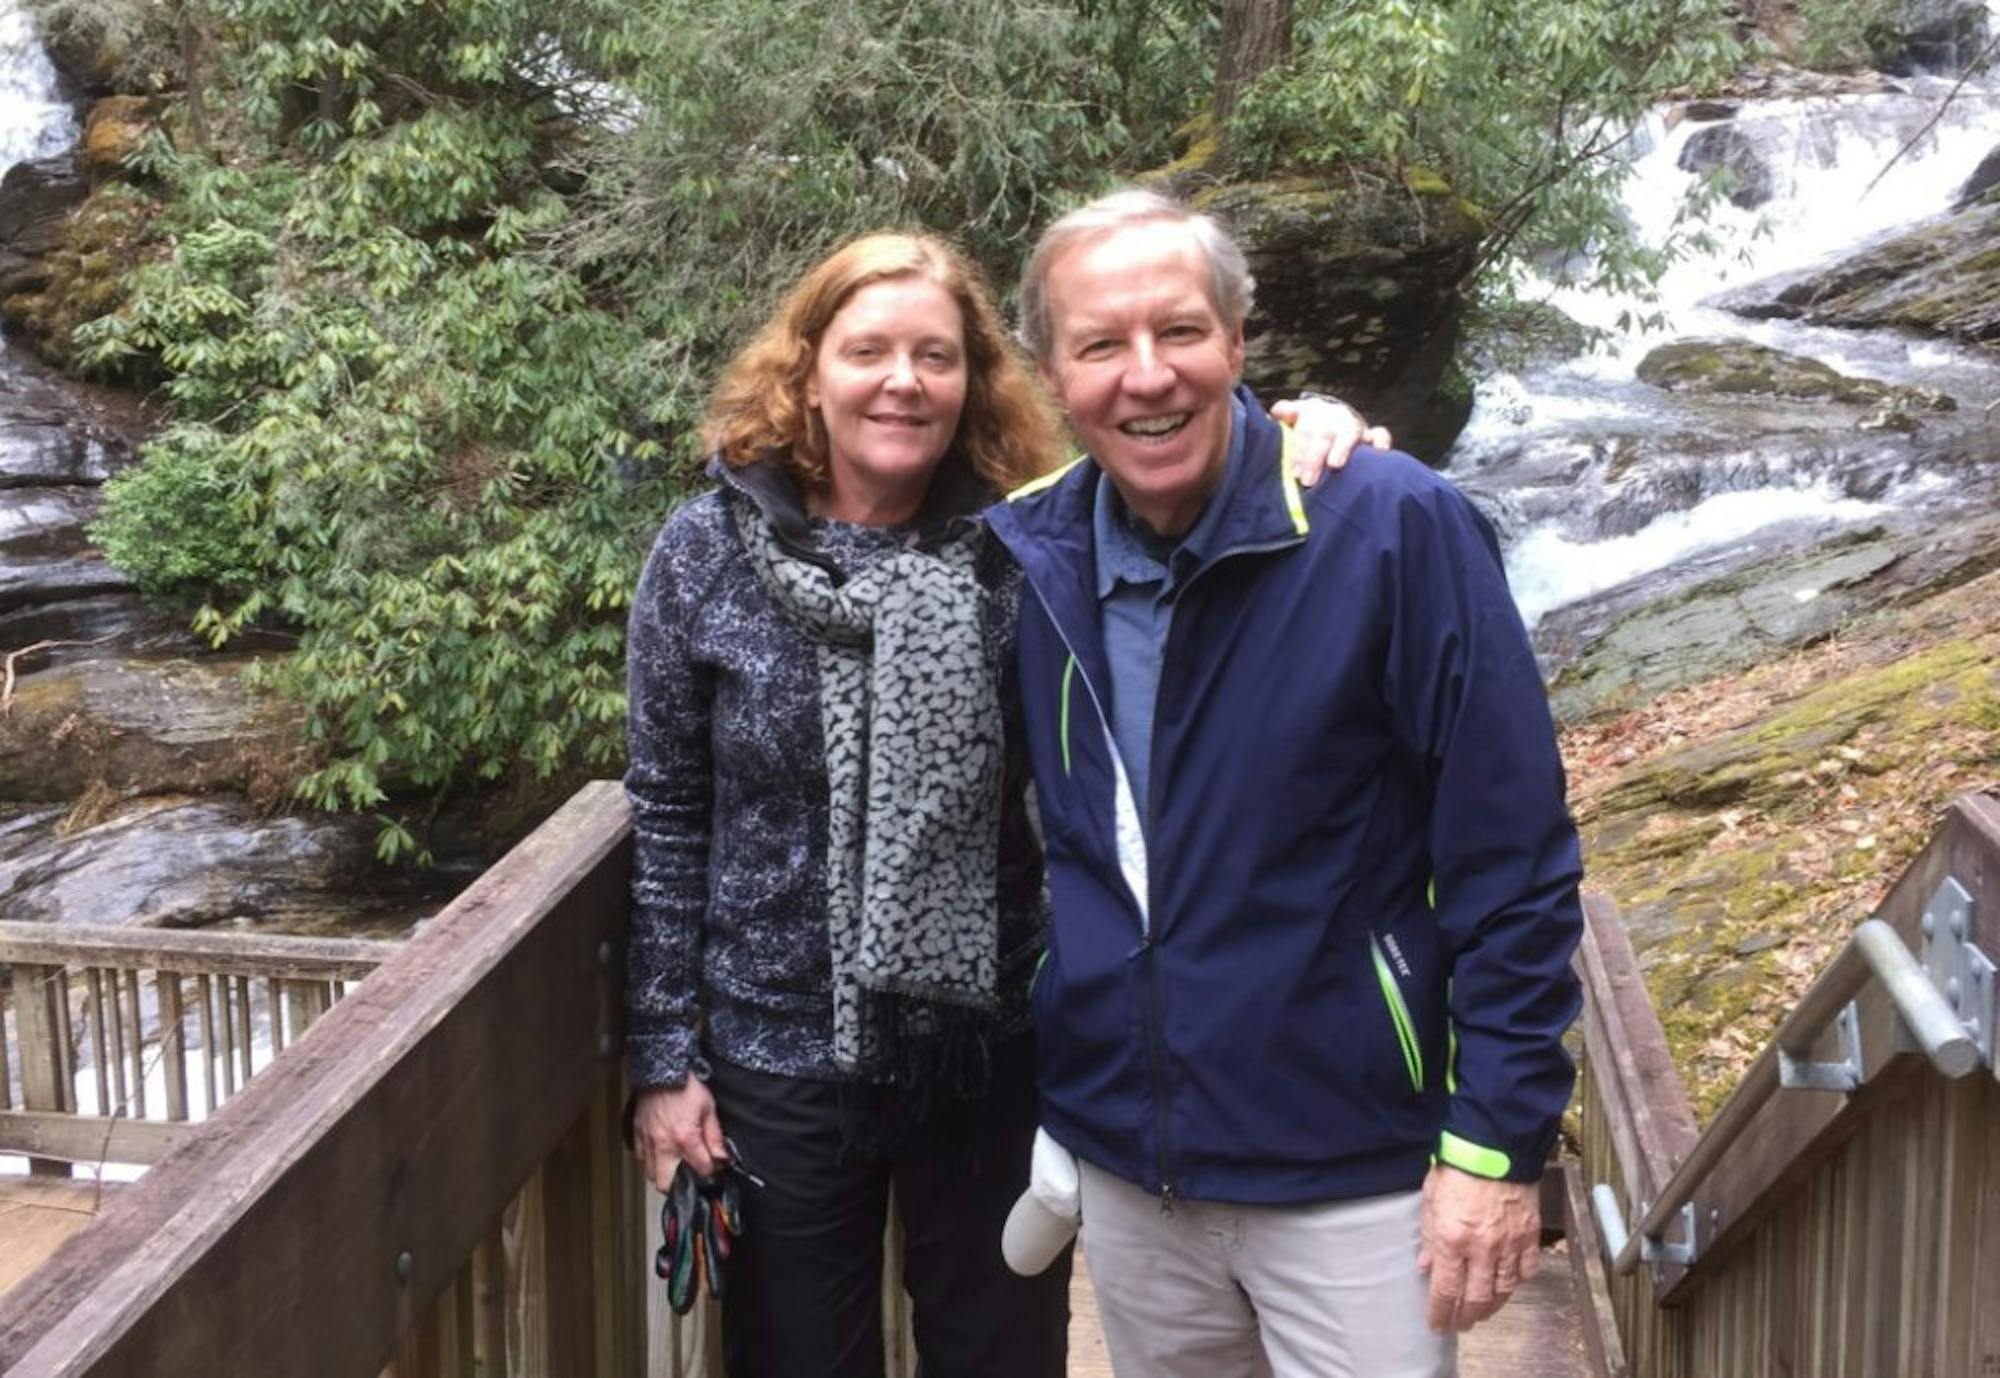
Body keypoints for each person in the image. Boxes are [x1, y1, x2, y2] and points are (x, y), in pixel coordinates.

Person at [621, 229, 1377, 1378]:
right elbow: (669, 808)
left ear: (972, 378)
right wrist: (661, 1055)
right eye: (868, 350)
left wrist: (1310, 429)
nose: (902, 380)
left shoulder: (1038, 539)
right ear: (808, 369)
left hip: (985, 1045)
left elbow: (1193, 464)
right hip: (773, 1051)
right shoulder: (703, 551)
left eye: (935, 354)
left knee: (1000, 1356)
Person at [984, 189, 1585, 1378]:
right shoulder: (1028, 554)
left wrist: (1493, 1145)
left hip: (1348, 1167)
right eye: (1101, 345)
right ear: (1052, 374)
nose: (1145, 376)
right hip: (1128, 1167)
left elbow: (1510, 855)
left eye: (1180, 332)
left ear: (1238, 342)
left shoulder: (1388, 526)